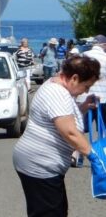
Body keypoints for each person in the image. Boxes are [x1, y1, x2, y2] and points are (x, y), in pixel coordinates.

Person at [13, 55, 104, 216]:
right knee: (50, 212)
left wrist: (83, 107)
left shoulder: (53, 83)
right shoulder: (58, 94)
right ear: (74, 78)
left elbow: (61, 117)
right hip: (40, 165)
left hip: (37, 162)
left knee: (56, 209)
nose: (86, 90)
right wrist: (94, 155)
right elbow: (69, 132)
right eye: (86, 85)